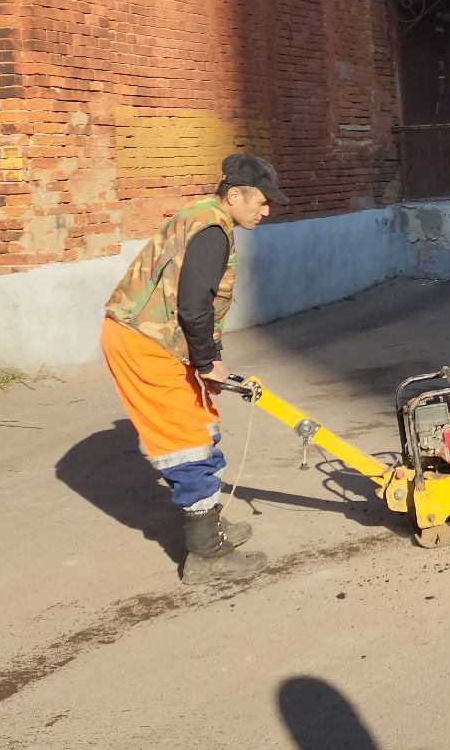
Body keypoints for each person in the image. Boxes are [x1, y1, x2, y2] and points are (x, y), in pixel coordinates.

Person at [100, 153, 287, 584]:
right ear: (234, 194)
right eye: (261, 201)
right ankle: (206, 554)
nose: (266, 210)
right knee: (185, 441)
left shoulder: (206, 218)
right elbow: (193, 305)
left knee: (202, 423)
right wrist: (205, 361)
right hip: (143, 342)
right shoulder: (211, 230)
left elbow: (201, 304)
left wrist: (211, 359)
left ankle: (210, 525)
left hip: (159, 338)